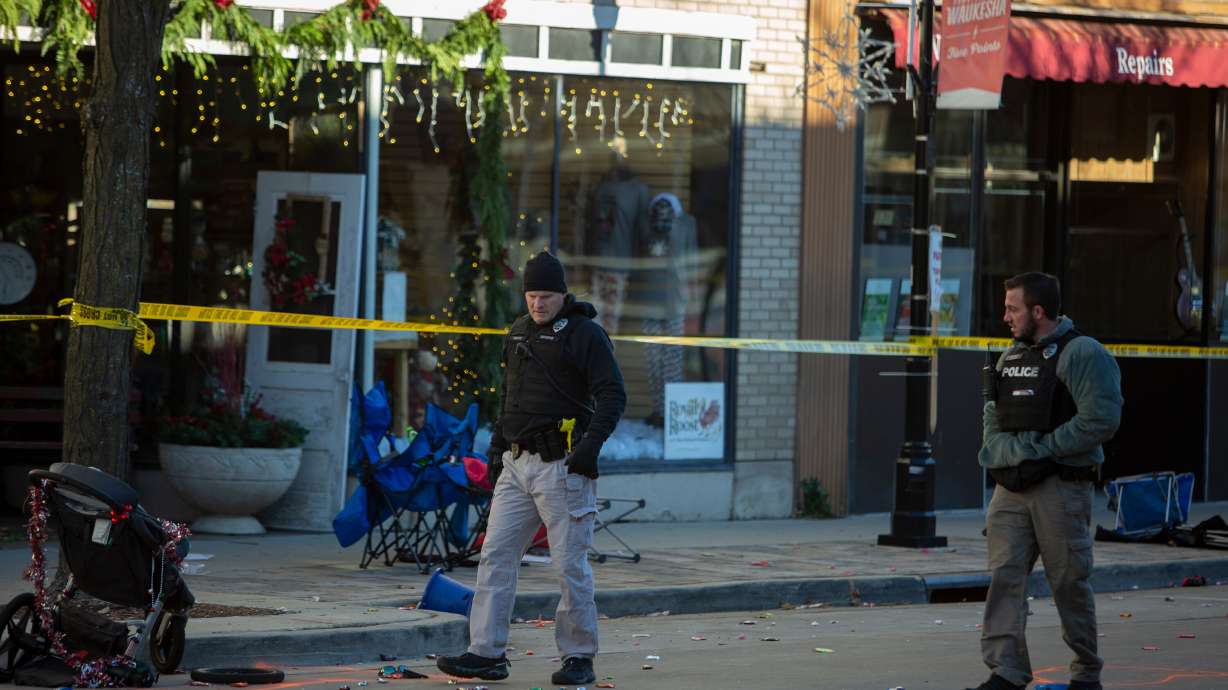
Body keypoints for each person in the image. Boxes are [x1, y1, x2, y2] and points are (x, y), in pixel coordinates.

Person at [437, 252, 627, 686]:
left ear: (562, 294)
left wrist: (590, 448)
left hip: (563, 467)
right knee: (495, 554)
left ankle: (579, 657)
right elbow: (511, 394)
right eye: (531, 295)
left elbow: (613, 395)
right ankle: (486, 653)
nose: (538, 304)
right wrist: (497, 442)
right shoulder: (519, 330)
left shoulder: (586, 335)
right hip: (516, 464)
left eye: (546, 296)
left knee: (569, 565)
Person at [968, 272, 1123, 690]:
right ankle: (1006, 672)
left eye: (1012, 308)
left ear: (1038, 311)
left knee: (1068, 583)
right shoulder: (1011, 356)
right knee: (1004, 578)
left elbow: (1101, 420)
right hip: (1011, 488)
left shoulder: (1082, 353)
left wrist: (1042, 447)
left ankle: (1086, 674)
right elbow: (993, 413)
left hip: (1060, 487)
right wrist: (1000, 451)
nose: (1005, 317)